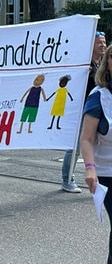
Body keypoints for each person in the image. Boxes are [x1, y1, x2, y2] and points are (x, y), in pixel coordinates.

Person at [62, 31, 106, 193]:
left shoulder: (104, 63)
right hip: (84, 111)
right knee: (75, 147)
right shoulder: (84, 64)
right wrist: (82, 73)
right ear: (91, 45)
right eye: (99, 42)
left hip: (102, 111)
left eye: (104, 42)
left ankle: (101, 180)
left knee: (102, 146)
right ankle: (67, 179)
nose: (102, 45)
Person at [80, 43, 112, 263]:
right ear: (107, 64)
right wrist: (90, 169)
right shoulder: (98, 97)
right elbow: (87, 138)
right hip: (108, 173)